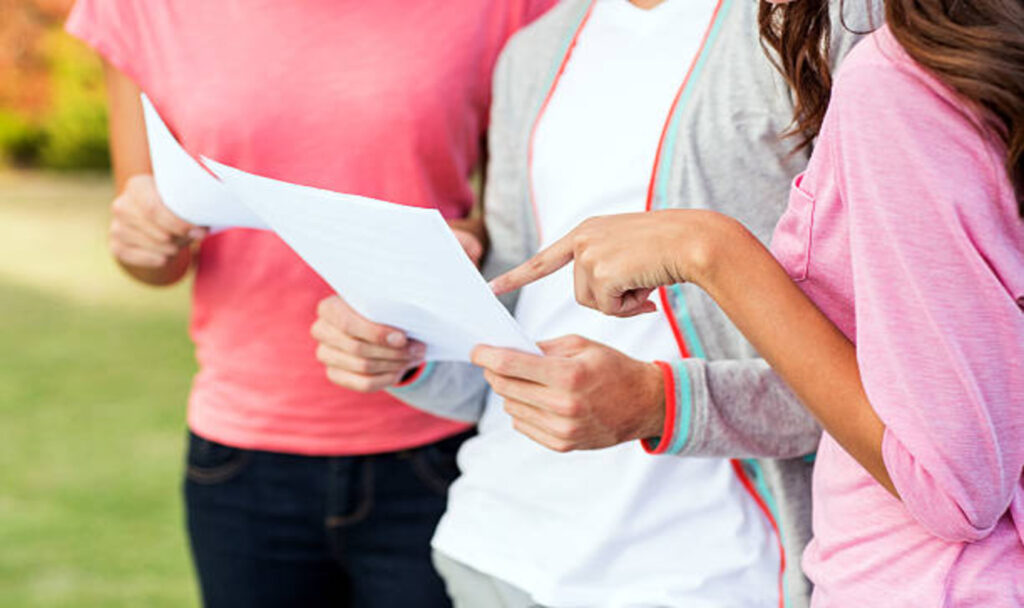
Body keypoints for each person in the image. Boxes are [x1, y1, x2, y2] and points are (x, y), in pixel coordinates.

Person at [312, 0, 873, 605]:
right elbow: (508, 340)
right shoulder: (533, 52)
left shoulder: (833, 23)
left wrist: (662, 404)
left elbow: (891, 394)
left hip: (715, 575)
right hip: (496, 553)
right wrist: (407, 345)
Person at [490, 0, 1024, 605]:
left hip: (805, 572)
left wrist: (708, 258)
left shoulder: (881, 54)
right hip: (505, 539)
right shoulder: (533, 52)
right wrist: (414, 339)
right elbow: (509, 293)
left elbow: (951, 480)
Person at [65, 1, 553, 606]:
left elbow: (531, 213)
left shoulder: (503, 8)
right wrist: (142, 237)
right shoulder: (142, 9)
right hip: (243, 455)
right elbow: (154, 254)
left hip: (441, 438)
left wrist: (471, 240)